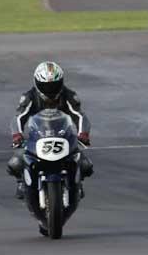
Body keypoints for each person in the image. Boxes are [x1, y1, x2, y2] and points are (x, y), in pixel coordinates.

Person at [7, 61, 93, 200]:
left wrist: (83, 134)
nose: (50, 89)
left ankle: (77, 182)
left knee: (86, 165)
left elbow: (79, 115)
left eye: (53, 85)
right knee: (15, 163)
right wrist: (17, 135)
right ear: (37, 82)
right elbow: (19, 117)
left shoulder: (68, 95)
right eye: (46, 85)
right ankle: (21, 181)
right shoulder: (29, 96)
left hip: (63, 135)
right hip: (37, 136)